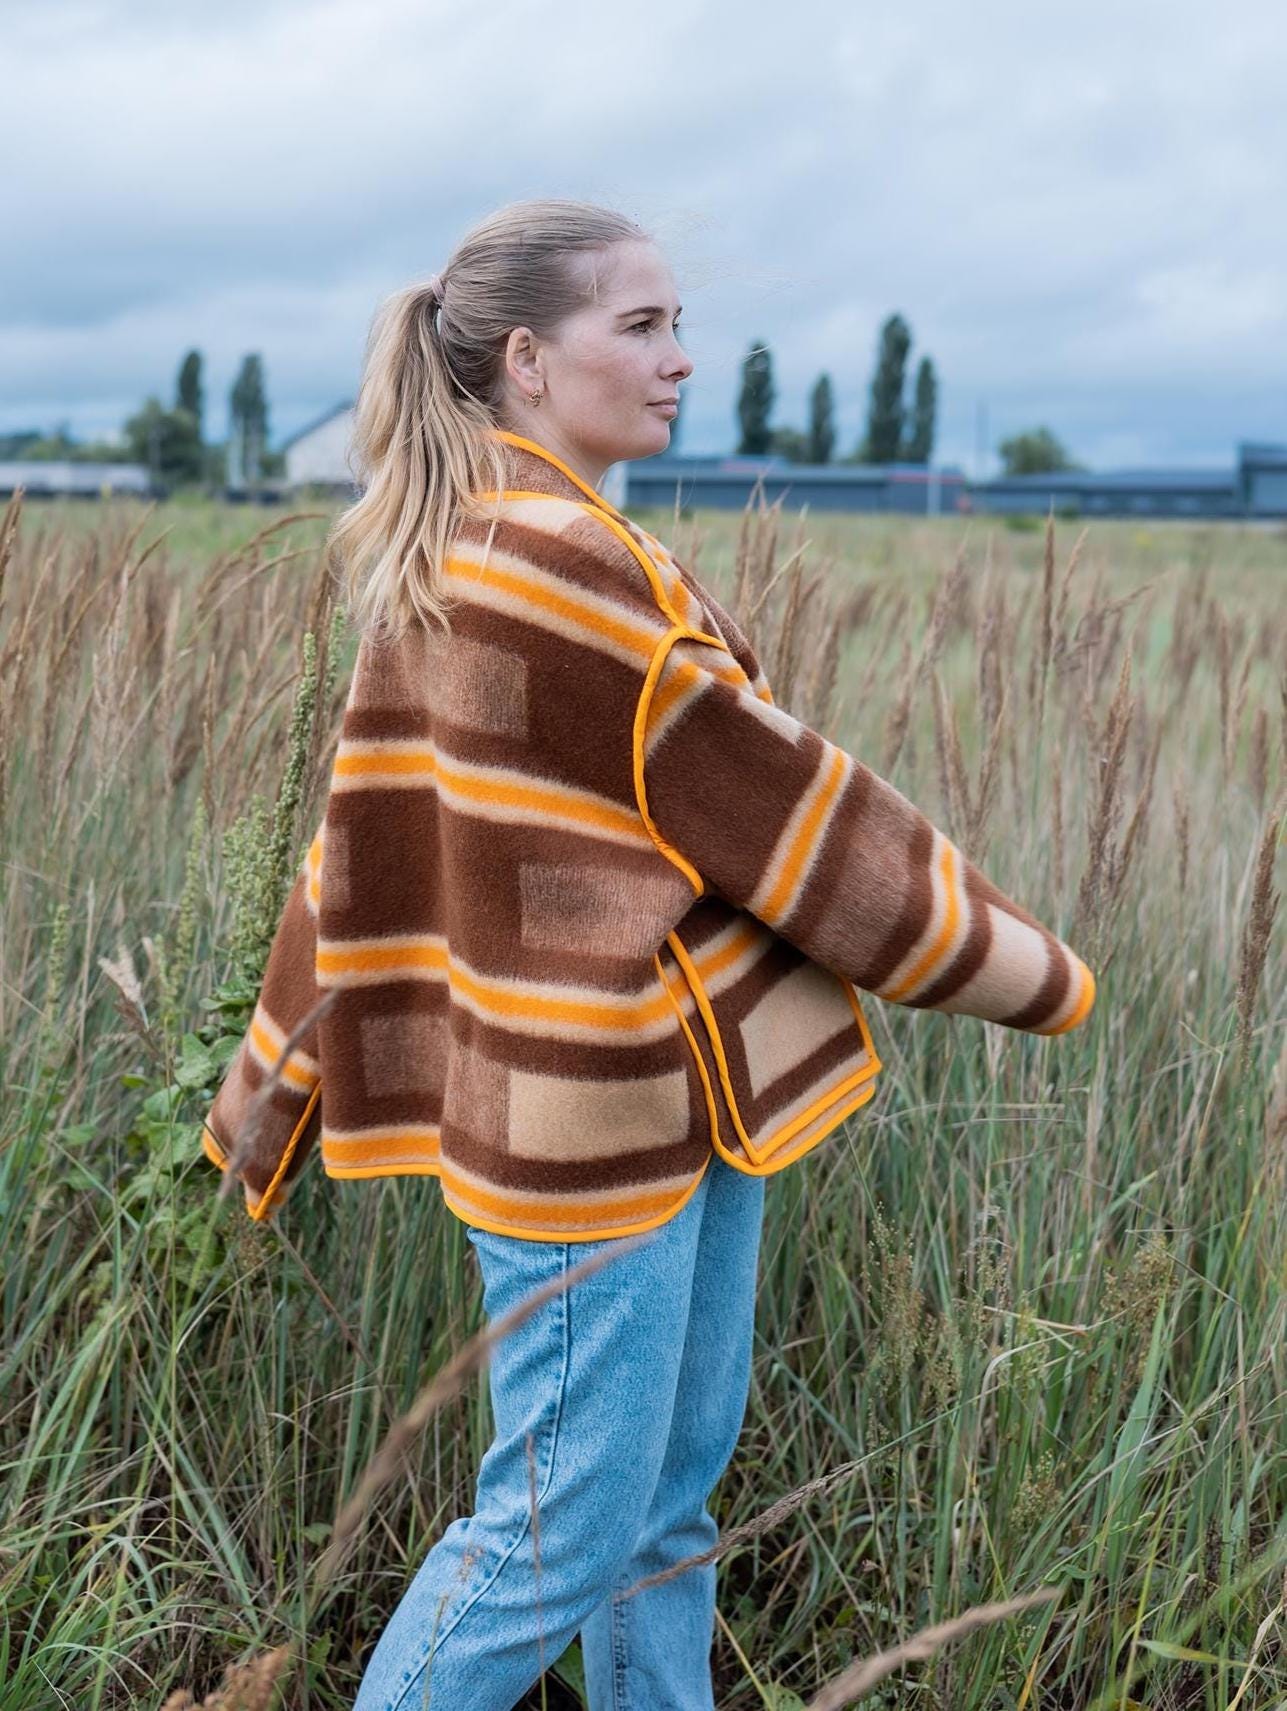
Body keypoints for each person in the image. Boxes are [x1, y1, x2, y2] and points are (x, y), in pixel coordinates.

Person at [226, 197, 1092, 1710]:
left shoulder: (461, 548)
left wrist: (270, 1088)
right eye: (642, 327)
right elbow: (792, 814)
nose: (682, 359)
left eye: (679, 324)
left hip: (648, 1111)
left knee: (655, 1517)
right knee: (554, 1538)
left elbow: (348, 855)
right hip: (596, 1134)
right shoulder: (563, 562)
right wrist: (1030, 971)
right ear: (527, 361)